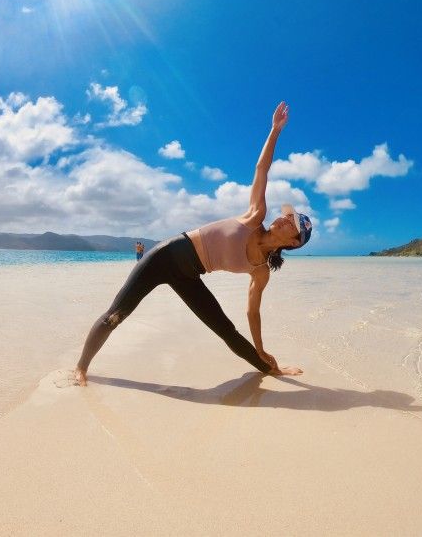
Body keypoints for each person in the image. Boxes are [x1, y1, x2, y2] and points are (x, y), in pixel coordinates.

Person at [75, 102, 309, 386]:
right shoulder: (255, 215)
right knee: (115, 315)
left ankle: (270, 369)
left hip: (190, 276)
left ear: (294, 243)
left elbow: (252, 311)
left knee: (228, 331)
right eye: (286, 216)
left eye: (291, 223)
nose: (284, 219)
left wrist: (260, 349)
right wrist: (274, 131)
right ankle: (81, 368)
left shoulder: (260, 271)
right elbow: (262, 169)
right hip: (164, 256)